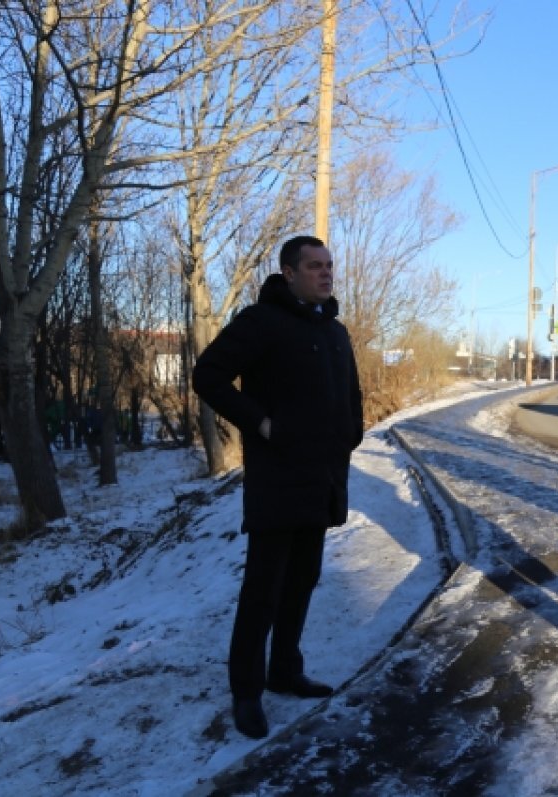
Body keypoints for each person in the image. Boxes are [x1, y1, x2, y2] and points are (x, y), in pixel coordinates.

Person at [192, 234, 363, 740]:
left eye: (329, 265)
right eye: (315, 266)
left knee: (303, 580)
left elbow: (350, 394)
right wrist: (261, 425)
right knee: (263, 589)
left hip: (323, 477)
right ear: (289, 273)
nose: (326, 273)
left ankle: (284, 670)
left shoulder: (335, 330)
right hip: (278, 478)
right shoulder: (261, 322)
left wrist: (350, 435)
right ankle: (246, 692)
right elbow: (209, 375)